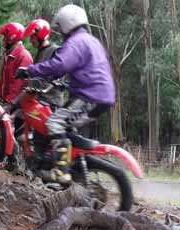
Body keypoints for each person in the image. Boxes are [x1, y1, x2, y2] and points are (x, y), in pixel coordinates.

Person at [16, 4, 115, 184]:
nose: (61, 33)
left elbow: (59, 65)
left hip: (89, 96)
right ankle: (74, 165)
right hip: (101, 96)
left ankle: (61, 172)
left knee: (54, 122)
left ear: (68, 24)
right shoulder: (90, 40)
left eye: (61, 28)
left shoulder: (76, 42)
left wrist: (30, 71)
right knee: (66, 128)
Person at [23, 18, 66, 160]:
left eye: (33, 37)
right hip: (39, 103)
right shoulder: (39, 53)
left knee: (48, 144)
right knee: (38, 142)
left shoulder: (55, 50)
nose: (31, 41)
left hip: (51, 104)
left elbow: (60, 72)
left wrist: (55, 80)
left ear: (41, 35)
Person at [0, 22, 33, 171]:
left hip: (19, 102)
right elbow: (4, 79)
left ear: (12, 37)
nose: (3, 40)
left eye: (5, 37)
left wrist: (8, 103)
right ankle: (11, 163)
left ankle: (19, 166)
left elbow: (18, 84)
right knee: (7, 133)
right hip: (9, 101)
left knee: (17, 135)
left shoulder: (23, 56)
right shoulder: (9, 55)